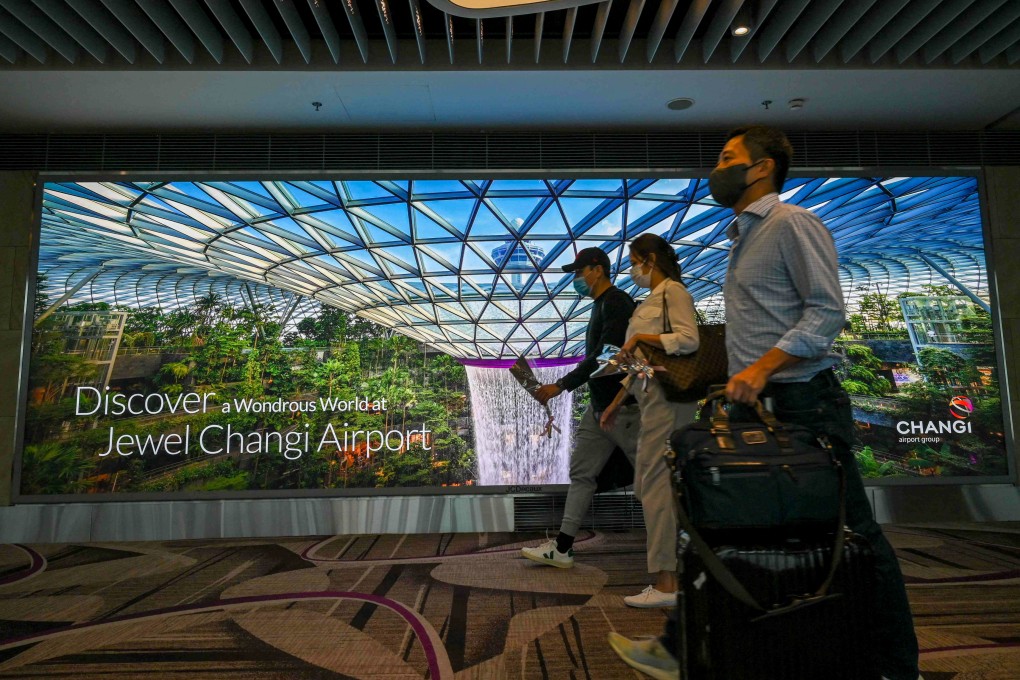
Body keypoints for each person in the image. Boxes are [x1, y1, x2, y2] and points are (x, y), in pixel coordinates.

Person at [610, 125, 922, 680]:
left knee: (851, 533)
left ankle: (897, 666)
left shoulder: (791, 224)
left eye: (727, 157)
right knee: (714, 518)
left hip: (803, 402)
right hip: (752, 402)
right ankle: (683, 645)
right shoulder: (743, 236)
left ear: (761, 168)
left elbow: (826, 312)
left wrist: (760, 368)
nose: (717, 167)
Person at [520, 247, 641, 568]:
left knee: (650, 480)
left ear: (596, 270)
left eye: (578, 272)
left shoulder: (616, 302)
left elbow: (606, 357)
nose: (576, 279)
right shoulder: (601, 304)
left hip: (623, 408)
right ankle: (562, 547)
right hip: (599, 407)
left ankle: (682, 540)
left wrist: (561, 385)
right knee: (582, 473)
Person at [600, 233, 699, 608]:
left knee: (654, 484)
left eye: (634, 260)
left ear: (651, 260)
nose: (632, 269)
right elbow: (640, 361)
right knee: (649, 484)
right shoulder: (649, 299)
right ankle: (678, 567)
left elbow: (688, 340)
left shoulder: (674, 292)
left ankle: (667, 583)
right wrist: (615, 401)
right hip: (650, 397)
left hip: (669, 399)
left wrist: (641, 335)